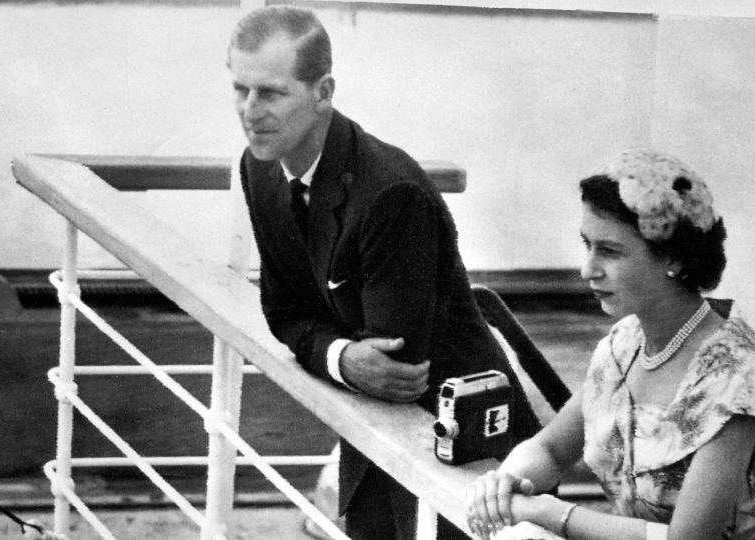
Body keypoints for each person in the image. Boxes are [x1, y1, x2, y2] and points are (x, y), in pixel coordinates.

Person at [227, 6, 540, 540]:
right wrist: (341, 357)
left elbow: (398, 370)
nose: (250, 111)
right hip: (375, 441)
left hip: (463, 445)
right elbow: (283, 311)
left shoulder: (388, 194)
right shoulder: (260, 169)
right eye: (240, 89)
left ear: (323, 91)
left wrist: (336, 349)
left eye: (271, 93)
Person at [465, 149, 755, 540]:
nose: (588, 269)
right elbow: (550, 450)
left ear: (674, 259)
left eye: (610, 251)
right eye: (588, 245)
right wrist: (502, 482)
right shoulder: (624, 343)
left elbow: (685, 539)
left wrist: (554, 514)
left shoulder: (735, 376)